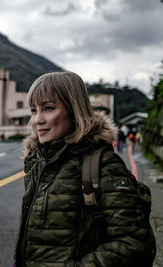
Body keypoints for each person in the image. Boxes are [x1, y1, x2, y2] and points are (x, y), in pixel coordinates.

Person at [14, 72, 155, 266]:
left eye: (48, 108)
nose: (37, 119)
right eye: (33, 110)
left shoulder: (104, 165)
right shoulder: (38, 161)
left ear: (73, 110)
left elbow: (134, 244)